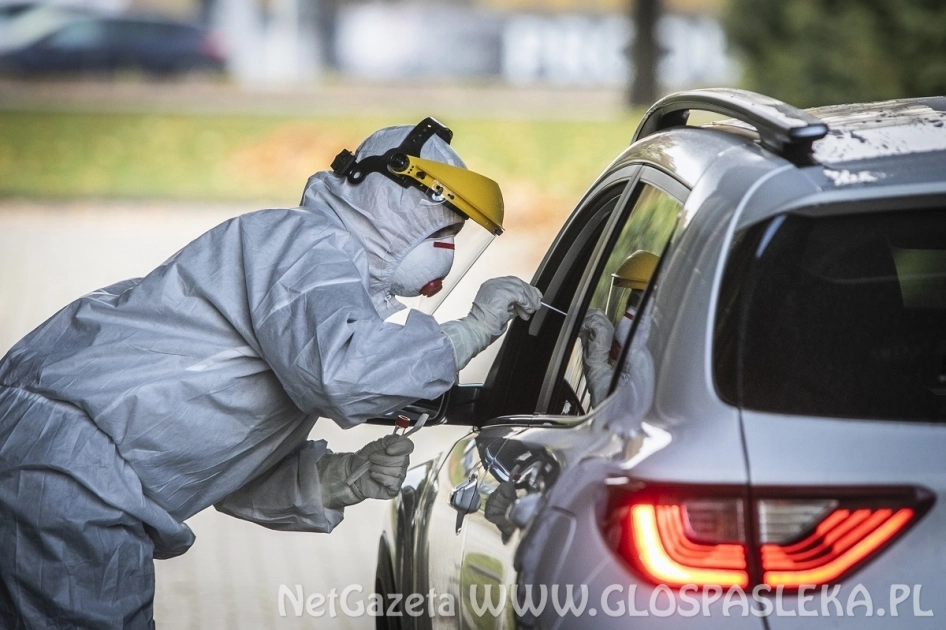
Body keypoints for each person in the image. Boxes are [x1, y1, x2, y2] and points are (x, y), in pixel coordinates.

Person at [0, 118, 541, 628]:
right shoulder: (303, 246)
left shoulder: (328, 281)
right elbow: (345, 375)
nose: (446, 251)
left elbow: (220, 458)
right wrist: (472, 330)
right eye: (443, 228)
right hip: (73, 468)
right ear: (395, 203)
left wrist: (339, 477)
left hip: (71, 465)